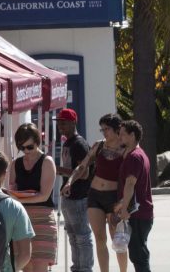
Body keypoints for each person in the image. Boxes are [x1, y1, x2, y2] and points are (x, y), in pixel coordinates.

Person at [67, 113, 128, 272]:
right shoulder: (98, 145)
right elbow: (82, 167)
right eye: (102, 129)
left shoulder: (126, 149)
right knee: (100, 239)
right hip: (94, 195)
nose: (104, 132)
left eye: (106, 129)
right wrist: (69, 182)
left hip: (114, 198)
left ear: (117, 129)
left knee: (118, 239)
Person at [7, 123, 58, 271]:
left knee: (40, 264)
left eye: (29, 147)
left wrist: (19, 199)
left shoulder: (47, 162)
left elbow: (44, 196)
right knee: (25, 266)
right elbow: (12, 188)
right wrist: (12, 193)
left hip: (42, 218)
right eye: (22, 148)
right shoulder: (15, 164)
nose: (26, 151)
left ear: (37, 142)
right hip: (21, 217)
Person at [56, 108, 95, 272]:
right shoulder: (68, 142)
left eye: (63, 123)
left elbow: (84, 173)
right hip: (69, 196)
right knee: (72, 236)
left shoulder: (79, 144)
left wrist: (58, 169)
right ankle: (77, 267)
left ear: (73, 123)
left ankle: (85, 268)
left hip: (79, 196)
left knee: (82, 236)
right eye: (58, 123)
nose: (60, 126)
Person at [114, 120, 153, 272]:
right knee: (138, 253)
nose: (120, 137)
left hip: (137, 213)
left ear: (132, 135)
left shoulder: (134, 157)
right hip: (140, 213)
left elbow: (130, 184)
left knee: (138, 255)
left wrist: (124, 209)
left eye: (123, 134)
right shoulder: (136, 155)